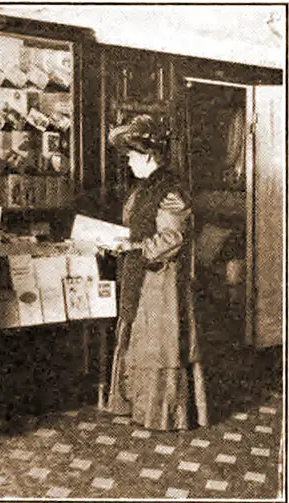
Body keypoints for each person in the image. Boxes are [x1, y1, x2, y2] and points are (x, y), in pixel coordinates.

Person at [104, 114, 208, 431]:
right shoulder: (144, 187)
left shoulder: (169, 190)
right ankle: (138, 406)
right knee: (141, 336)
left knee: (160, 341)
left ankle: (162, 414)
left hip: (162, 280)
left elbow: (172, 238)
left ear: (148, 155)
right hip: (142, 275)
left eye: (132, 156)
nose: (129, 162)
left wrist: (133, 247)